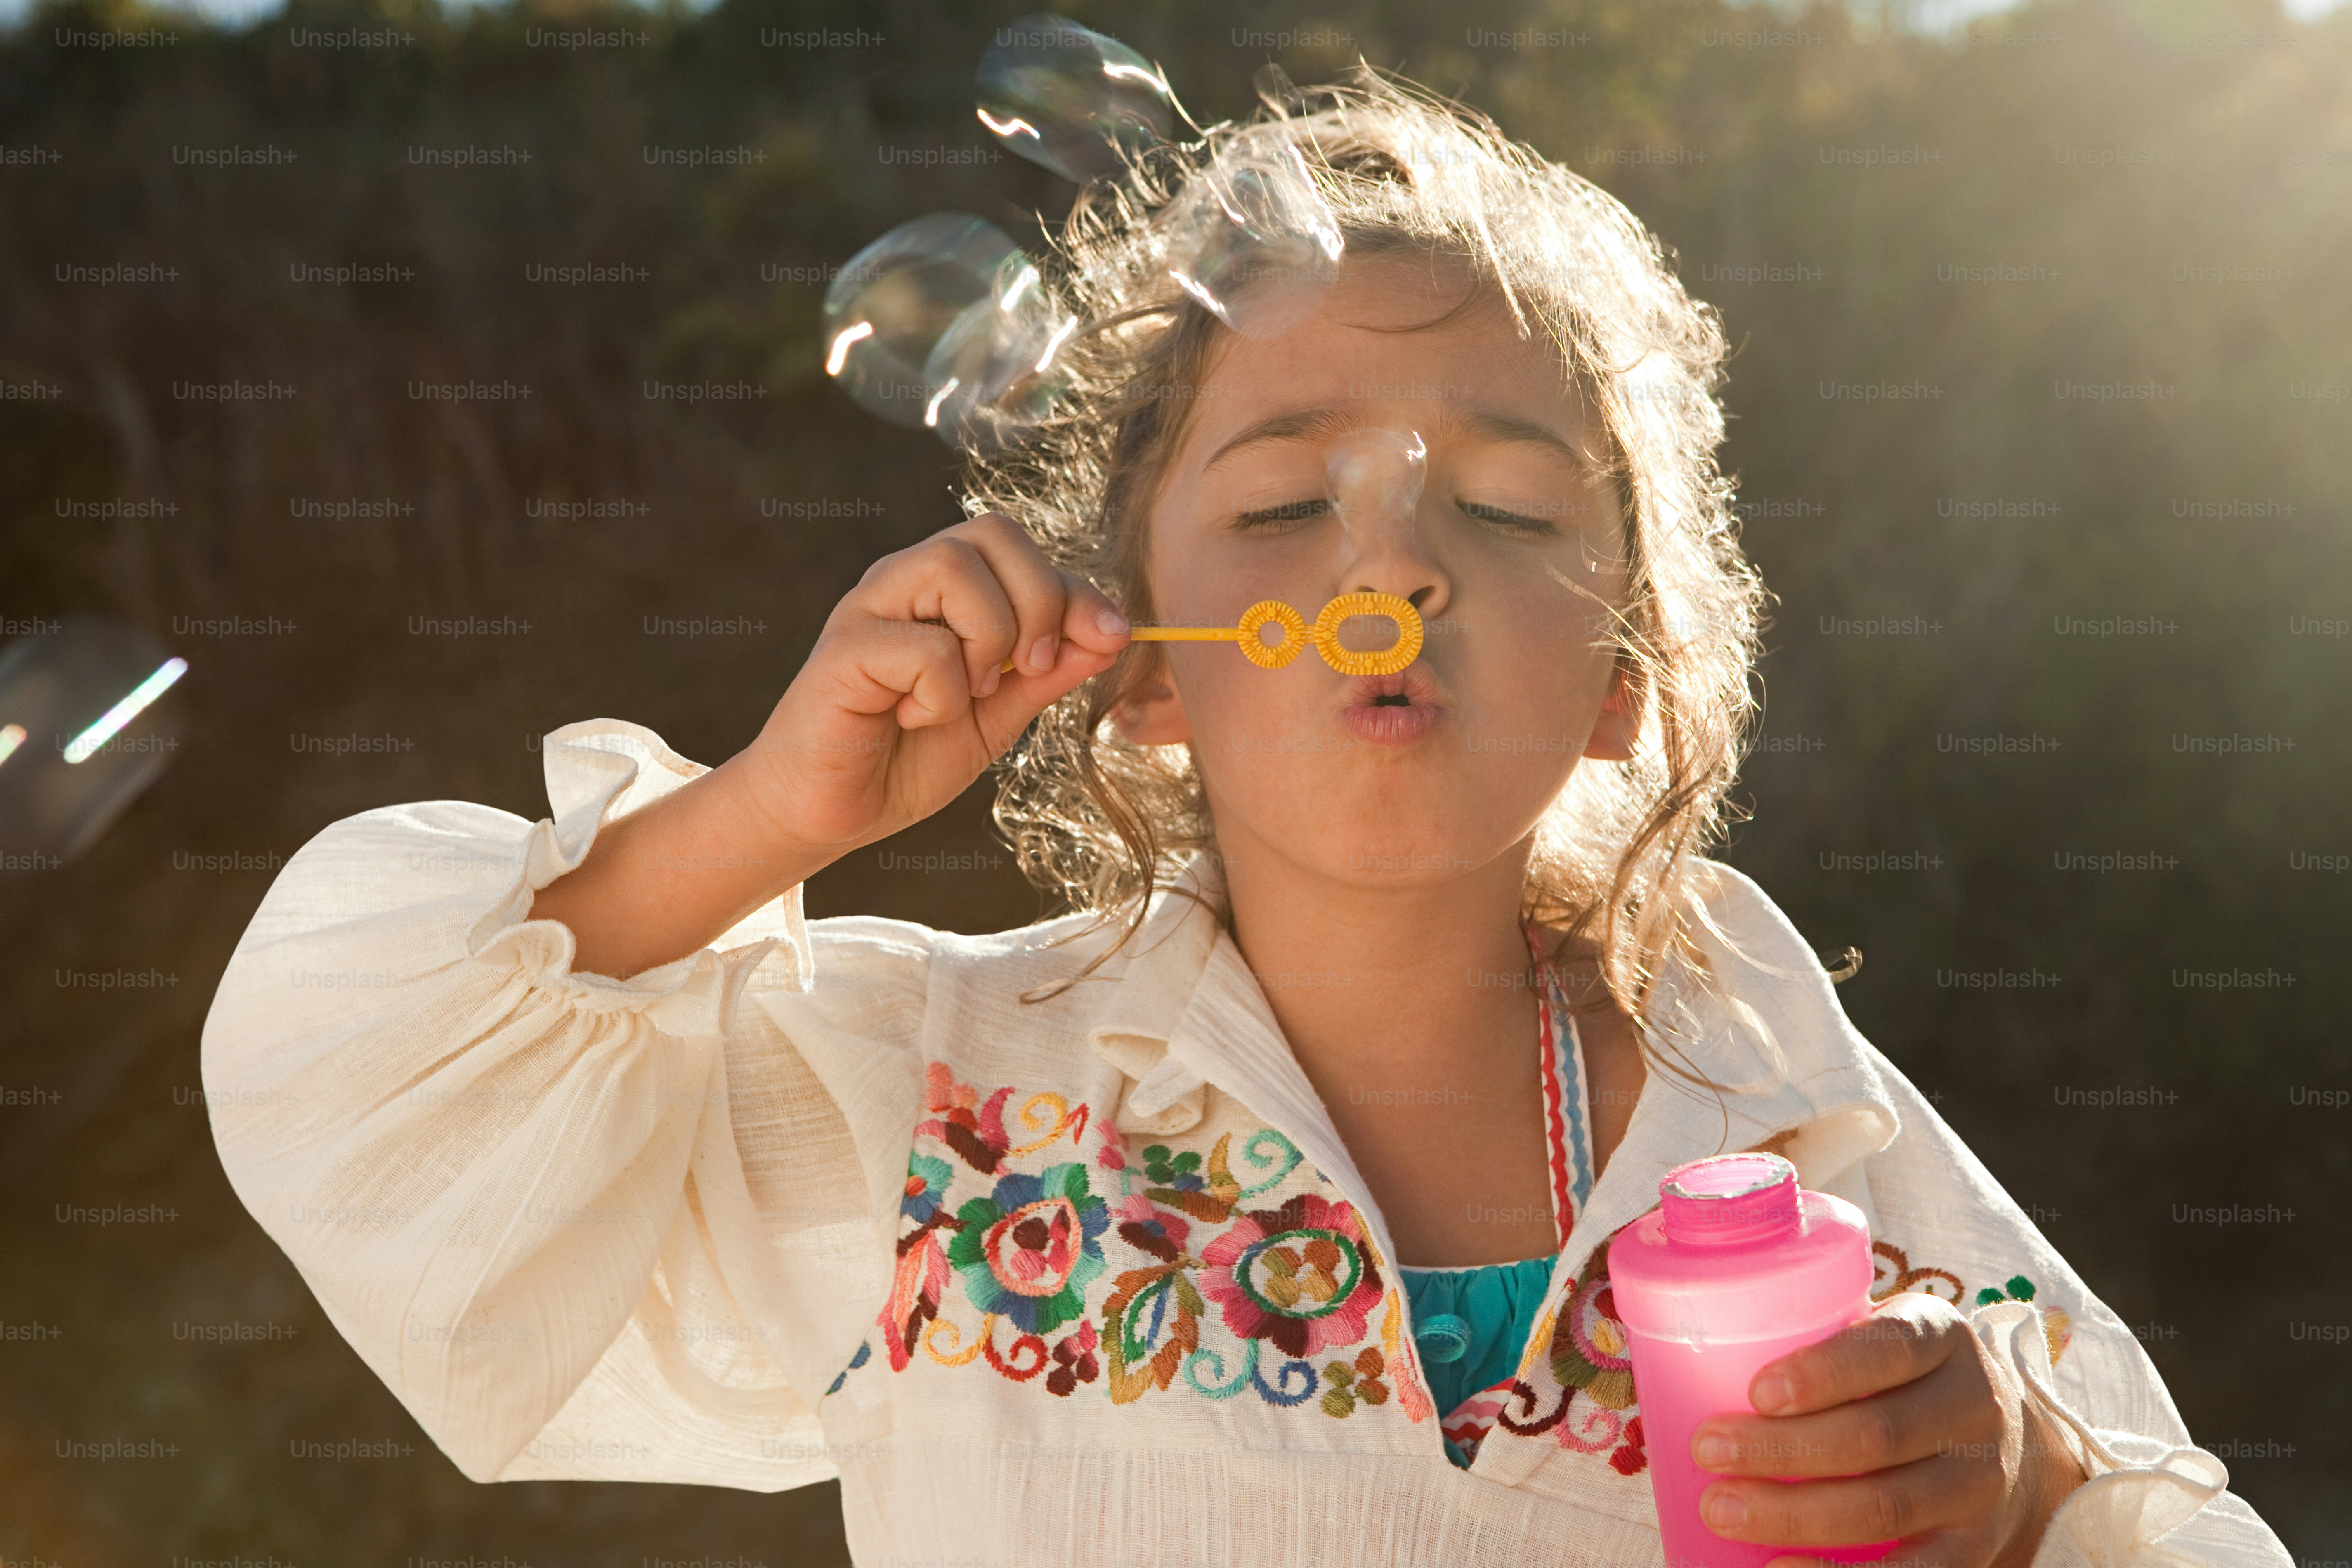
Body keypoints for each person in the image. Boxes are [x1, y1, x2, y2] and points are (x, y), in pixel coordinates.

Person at [201, 71, 2289, 1568]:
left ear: (1627, 679)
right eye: (1285, 505)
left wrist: (2020, 1488)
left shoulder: (1786, 1119)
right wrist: (764, 812)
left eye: (1502, 503)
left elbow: (2175, 1522)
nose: (1399, 562)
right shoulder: (935, 1099)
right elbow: (359, 1082)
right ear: (1154, 668)